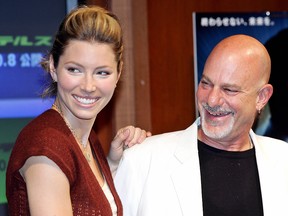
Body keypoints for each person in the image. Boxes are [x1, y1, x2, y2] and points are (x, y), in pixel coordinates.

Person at [114, 34, 288, 216]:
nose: (212, 100)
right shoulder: (142, 160)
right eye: (206, 83)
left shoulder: (284, 161)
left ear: (261, 97)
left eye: (229, 89)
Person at [6, 5, 150, 216]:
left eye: (102, 72)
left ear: (118, 74)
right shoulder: (47, 146)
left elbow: (84, 197)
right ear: (53, 67)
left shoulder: (84, 137)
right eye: (75, 70)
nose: (88, 86)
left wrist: (113, 164)